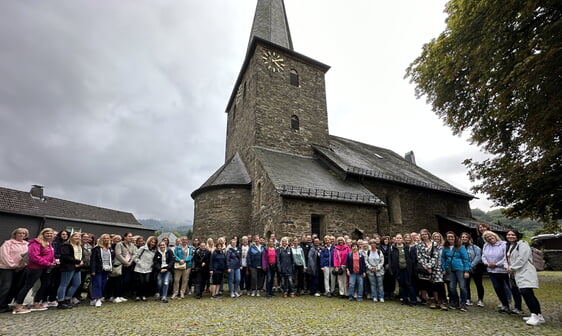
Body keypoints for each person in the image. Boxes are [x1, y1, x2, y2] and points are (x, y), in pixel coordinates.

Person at [12, 228, 57, 314]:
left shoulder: (49, 244)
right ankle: (18, 305)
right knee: (28, 286)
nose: (49, 235)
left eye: (51, 233)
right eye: (47, 233)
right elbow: (34, 257)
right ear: (42, 234)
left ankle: (36, 303)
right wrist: (48, 263)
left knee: (45, 285)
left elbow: (50, 255)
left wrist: (54, 261)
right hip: (35, 268)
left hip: (46, 268)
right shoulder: (35, 243)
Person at [505, 230, 545, 326]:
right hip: (517, 273)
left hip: (525, 272)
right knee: (526, 293)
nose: (510, 236)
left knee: (526, 292)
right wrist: (507, 267)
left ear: (517, 236)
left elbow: (522, 258)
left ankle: (535, 315)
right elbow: (508, 259)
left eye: (513, 235)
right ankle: (538, 315)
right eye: (508, 234)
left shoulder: (523, 244)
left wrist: (512, 268)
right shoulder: (509, 246)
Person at [482, 230, 514, 313]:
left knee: (511, 287)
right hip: (492, 271)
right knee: (498, 288)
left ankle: (514, 304)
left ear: (495, 236)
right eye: (487, 237)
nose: (490, 238)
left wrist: (497, 264)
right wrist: (487, 263)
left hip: (504, 270)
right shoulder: (486, 245)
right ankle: (504, 304)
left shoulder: (503, 244)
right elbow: (483, 256)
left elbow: (506, 256)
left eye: (491, 236)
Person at [0, 228, 29, 313]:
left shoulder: (27, 244)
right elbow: (4, 255)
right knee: (5, 287)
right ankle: (1, 305)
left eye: (23, 233)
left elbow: (28, 256)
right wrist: (13, 265)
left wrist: (24, 265)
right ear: (15, 234)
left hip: (21, 269)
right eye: (19, 233)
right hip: (7, 268)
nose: (21, 235)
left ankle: (6, 304)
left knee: (15, 287)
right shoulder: (8, 243)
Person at [442, 231, 470, 312]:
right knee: (451, 287)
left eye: (452, 237)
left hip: (460, 268)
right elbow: (443, 258)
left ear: (455, 237)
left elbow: (465, 259)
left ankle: (463, 303)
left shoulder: (460, 247)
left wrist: (466, 270)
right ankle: (456, 301)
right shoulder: (445, 247)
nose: (450, 238)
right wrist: (443, 269)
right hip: (450, 269)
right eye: (448, 237)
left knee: (462, 286)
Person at [56, 232, 84, 309]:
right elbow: (65, 257)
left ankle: (68, 299)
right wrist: (77, 262)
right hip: (68, 266)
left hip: (77, 267)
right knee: (64, 284)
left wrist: (81, 262)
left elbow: (81, 256)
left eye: (79, 236)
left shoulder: (79, 246)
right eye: (75, 236)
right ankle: (61, 301)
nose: (77, 237)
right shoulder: (66, 245)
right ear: (71, 237)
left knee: (77, 283)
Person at [388, 234, 417, 306]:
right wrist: (391, 269)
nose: (398, 239)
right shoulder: (392, 248)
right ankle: (405, 299)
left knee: (409, 284)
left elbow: (411, 258)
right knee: (401, 285)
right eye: (397, 238)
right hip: (398, 269)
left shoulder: (407, 247)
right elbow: (390, 259)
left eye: (400, 238)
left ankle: (413, 300)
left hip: (407, 269)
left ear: (402, 239)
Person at [90, 234, 113, 308]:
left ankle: (96, 297)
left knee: (103, 284)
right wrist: (93, 270)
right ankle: (97, 299)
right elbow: (92, 260)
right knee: (97, 284)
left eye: (107, 238)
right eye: (104, 238)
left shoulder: (109, 248)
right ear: (101, 239)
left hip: (106, 269)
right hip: (97, 269)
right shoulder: (96, 249)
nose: (106, 240)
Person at [113, 232, 137, 303]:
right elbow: (118, 255)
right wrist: (126, 262)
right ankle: (116, 296)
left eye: (131, 236)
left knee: (126, 281)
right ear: (125, 237)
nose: (131, 238)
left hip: (129, 265)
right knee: (119, 281)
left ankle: (121, 295)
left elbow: (134, 254)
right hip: (121, 265)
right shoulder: (119, 244)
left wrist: (130, 262)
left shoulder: (132, 245)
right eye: (129, 236)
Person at [133, 236, 158, 301]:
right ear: (149, 241)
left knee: (146, 282)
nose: (153, 243)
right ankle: (138, 296)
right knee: (140, 282)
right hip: (139, 268)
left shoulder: (155, 250)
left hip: (148, 269)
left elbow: (154, 259)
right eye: (152, 242)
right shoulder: (142, 248)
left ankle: (143, 295)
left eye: (154, 242)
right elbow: (135, 257)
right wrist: (140, 263)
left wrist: (152, 265)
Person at [461, 232, 481, 306]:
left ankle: (480, 299)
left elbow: (478, 257)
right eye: (463, 237)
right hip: (464, 268)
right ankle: (468, 298)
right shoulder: (459, 247)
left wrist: (471, 265)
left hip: (475, 268)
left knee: (478, 284)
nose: (464, 238)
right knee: (466, 284)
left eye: (466, 237)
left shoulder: (475, 247)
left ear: (469, 238)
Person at [473, 223, 489, 307]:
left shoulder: (493, 237)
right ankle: (480, 299)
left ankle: (506, 301)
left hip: (493, 262)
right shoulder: (479, 239)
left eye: (483, 227)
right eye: (480, 228)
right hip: (481, 262)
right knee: (478, 281)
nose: (481, 228)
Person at [431, 232, 447, 310]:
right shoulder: (431, 246)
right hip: (432, 268)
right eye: (435, 237)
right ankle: (435, 300)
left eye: (438, 237)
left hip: (440, 268)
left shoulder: (443, 247)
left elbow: (445, 258)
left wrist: (444, 268)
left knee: (440, 285)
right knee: (433, 285)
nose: (436, 238)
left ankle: (441, 302)